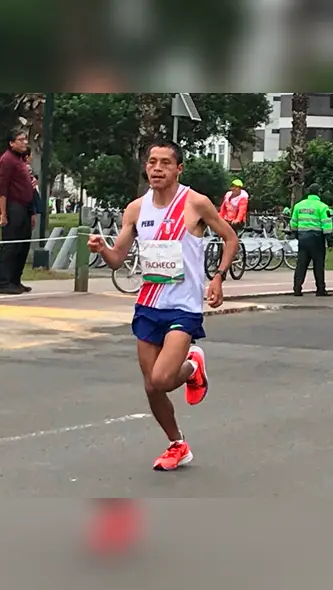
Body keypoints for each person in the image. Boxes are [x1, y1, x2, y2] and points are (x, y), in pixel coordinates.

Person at [88, 139, 240, 471]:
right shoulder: (136, 209)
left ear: (178, 168)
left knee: (160, 378)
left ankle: (192, 367)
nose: (157, 169)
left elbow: (231, 238)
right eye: (152, 162)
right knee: (151, 386)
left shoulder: (195, 203)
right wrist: (102, 248)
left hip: (183, 305)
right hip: (148, 304)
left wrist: (218, 277)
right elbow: (117, 259)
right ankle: (177, 444)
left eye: (165, 163)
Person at [0, 129, 36, 294]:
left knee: (23, 245)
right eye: (20, 140)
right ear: (11, 143)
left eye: (25, 139)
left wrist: (32, 212)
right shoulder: (7, 160)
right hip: (14, 206)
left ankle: (15, 280)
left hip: (25, 206)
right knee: (11, 245)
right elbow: (2, 189)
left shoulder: (20, 160)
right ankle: (4, 282)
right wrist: (3, 213)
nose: (24, 142)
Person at [290, 184, 333, 297]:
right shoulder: (322, 207)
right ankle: (320, 289)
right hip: (317, 238)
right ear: (319, 193)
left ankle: (297, 289)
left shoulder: (299, 206)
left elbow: (293, 223)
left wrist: (296, 234)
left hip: (303, 238)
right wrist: (329, 240)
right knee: (318, 265)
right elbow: (327, 224)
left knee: (301, 265)